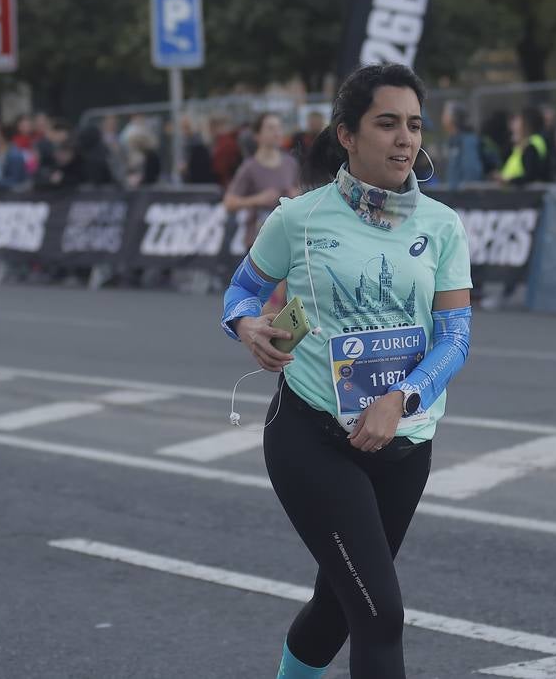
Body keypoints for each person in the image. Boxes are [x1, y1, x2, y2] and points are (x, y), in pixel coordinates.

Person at [221, 64, 471, 679]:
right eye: (386, 124)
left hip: (402, 443)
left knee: (337, 605)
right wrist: (246, 326)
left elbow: (457, 337)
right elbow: (241, 293)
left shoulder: (441, 226)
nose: (405, 139)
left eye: (414, 125)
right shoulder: (299, 218)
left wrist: (403, 400)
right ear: (347, 135)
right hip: (312, 437)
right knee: (379, 614)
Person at [223, 113, 301, 249]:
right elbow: (229, 202)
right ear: (257, 136)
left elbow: (301, 192)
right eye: (270, 128)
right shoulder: (249, 167)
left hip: (288, 239)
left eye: (279, 128)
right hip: (258, 241)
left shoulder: (291, 163)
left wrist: (296, 195)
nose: (276, 132)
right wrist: (258, 199)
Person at [498, 106, 551, 186]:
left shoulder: (532, 145)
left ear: (526, 123)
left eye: (517, 120)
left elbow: (530, 176)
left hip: (525, 196)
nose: (513, 125)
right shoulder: (521, 145)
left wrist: (509, 181)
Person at [438, 101, 484, 189]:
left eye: (446, 113)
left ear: (454, 118)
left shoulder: (468, 140)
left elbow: (471, 169)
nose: (443, 117)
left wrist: (465, 192)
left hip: (464, 198)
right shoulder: (452, 141)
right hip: (454, 196)